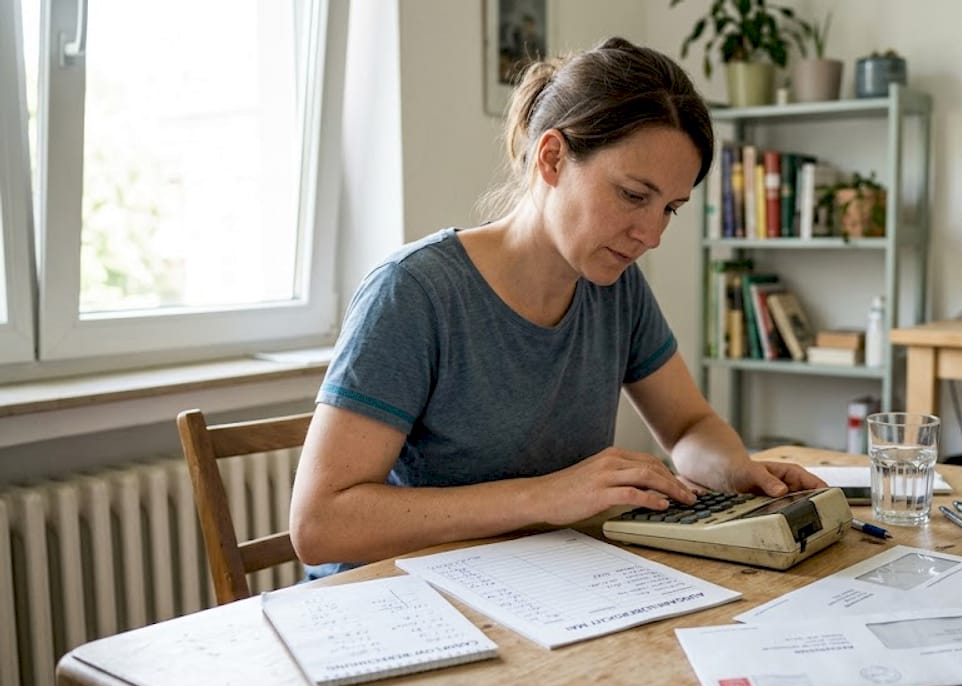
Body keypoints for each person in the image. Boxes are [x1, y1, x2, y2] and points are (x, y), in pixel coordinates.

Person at [289, 37, 826, 577]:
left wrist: (736, 473)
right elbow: (319, 524)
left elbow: (687, 425)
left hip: (540, 582)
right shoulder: (413, 291)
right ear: (552, 158)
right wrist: (546, 497)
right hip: (399, 601)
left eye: (670, 209)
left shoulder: (617, 285)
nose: (651, 234)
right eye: (634, 196)